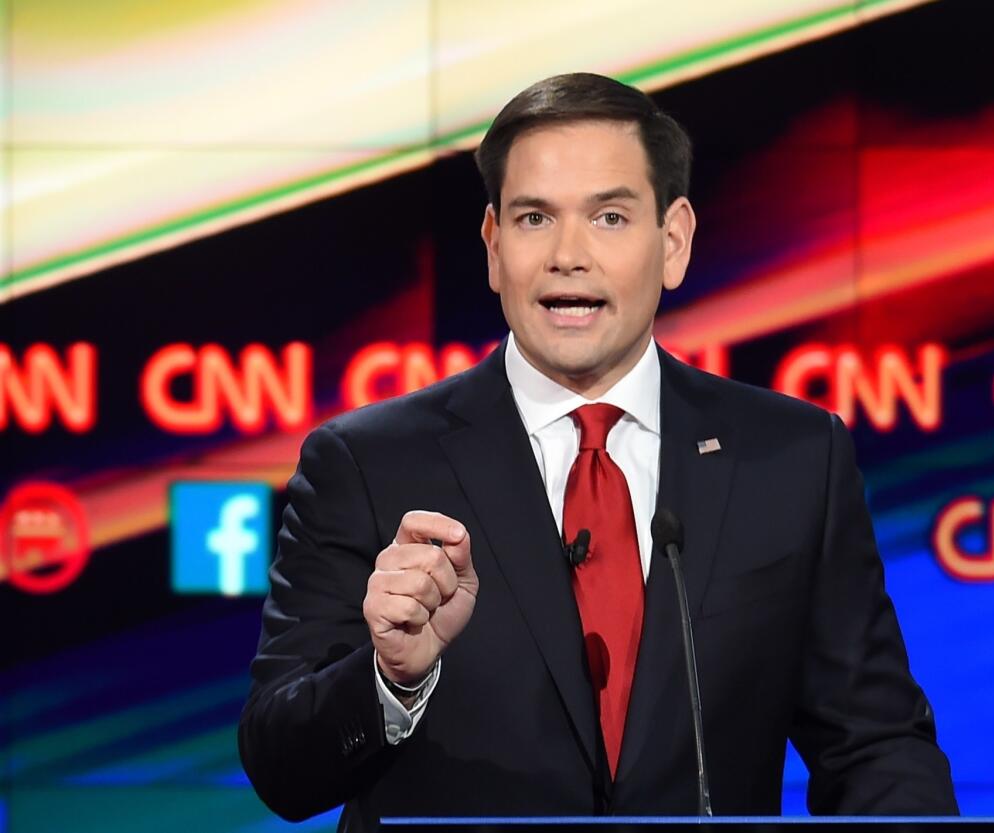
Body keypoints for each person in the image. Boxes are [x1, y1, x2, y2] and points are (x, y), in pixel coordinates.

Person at [238, 72, 957, 831]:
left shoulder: (792, 458)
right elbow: (281, 768)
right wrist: (388, 680)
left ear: (672, 241)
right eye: (534, 218)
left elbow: (875, 747)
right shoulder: (366, 464)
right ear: (492, 246)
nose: (567, 255)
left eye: (610, 216)